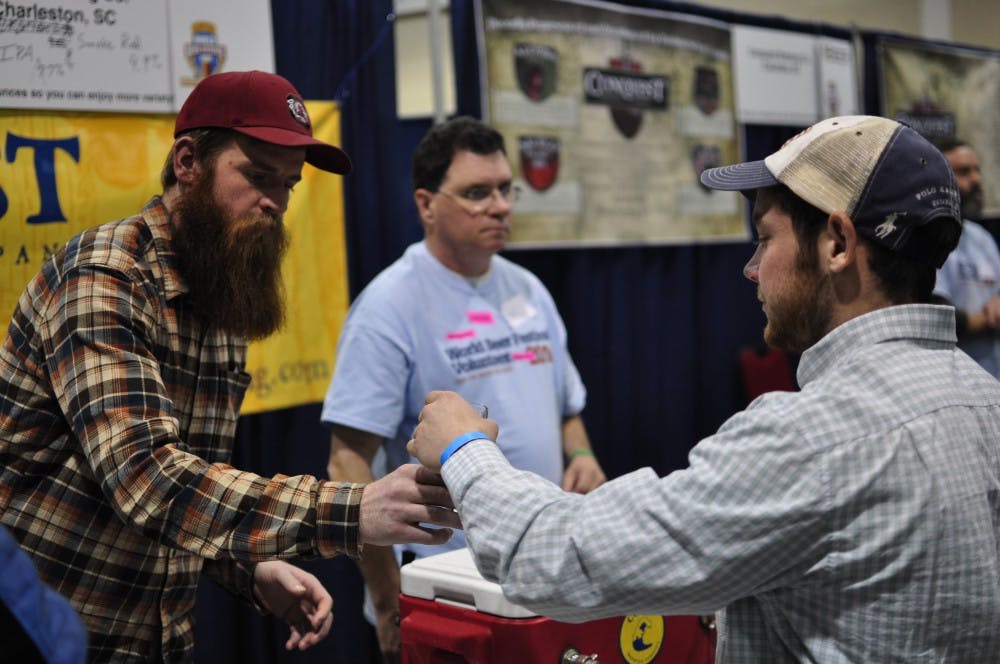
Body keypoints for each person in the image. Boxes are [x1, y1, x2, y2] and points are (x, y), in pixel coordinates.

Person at [408, 115, 1000, 661]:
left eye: (765, 238)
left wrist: (463, 450)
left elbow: (552, 557)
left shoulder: (812, 440)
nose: (751, 267)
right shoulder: (986, 402)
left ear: (838, 244)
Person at [0, 70, 460, 663]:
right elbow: (148, 477)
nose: (275, 202)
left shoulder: (222, 286)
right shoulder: (105, 276)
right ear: (188, 161)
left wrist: (248, 568)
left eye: (289, 185)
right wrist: (354, 509)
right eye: (257, 176)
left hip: (155, 641)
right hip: (45, 633)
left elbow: (192, 482)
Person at [320, 116, 605, 662]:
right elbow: (347, 464)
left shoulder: (529, 288)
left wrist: (584, 453)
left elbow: (567, 405)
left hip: (537, 571)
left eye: (504, 189)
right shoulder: (388, 307)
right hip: (443, 590)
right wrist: (386, 601)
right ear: (426, 204)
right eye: (477, 193)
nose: (499, 206)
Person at [931, 137, 1000, 378]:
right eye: (963, 172)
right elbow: (938, 315)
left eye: (976, 170)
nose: (976, 179)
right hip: (954, 380)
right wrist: (986, 320)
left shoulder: (981, 237)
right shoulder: (928, 238)